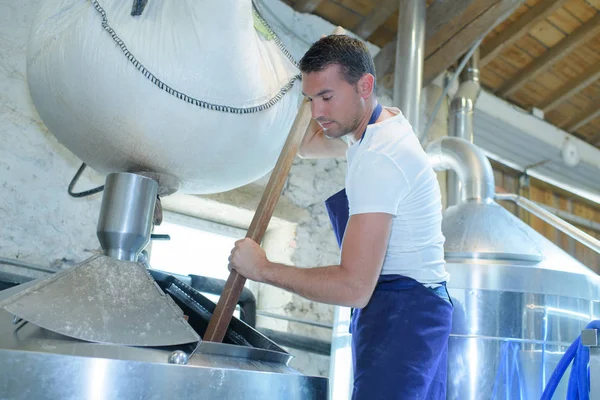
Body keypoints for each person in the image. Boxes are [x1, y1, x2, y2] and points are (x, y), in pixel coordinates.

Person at [227, 34, 452, 399]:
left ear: (365, 85)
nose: (317, 112)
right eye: (310, 99)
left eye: (327, 97)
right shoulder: (375, 127)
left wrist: (263, 269)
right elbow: (307, 144)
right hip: (414, 310)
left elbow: (354, 287)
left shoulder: (381, 158)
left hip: (403, 314)